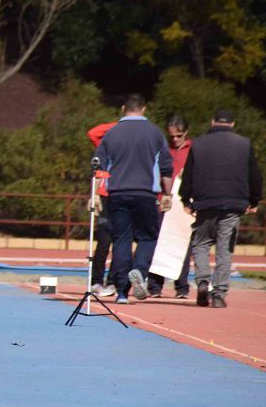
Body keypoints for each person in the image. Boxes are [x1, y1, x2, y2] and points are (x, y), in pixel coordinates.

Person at [94, 94, 173, 304]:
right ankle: (139, 269)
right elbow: (166, 168)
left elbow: (99, 168)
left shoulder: (111, 134)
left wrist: (94, 195)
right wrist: (167, 194)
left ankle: (121, 292)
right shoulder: (155, 133)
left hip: (117, 193)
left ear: (123, 108)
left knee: (121, 240)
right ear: (144, 109)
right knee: (148, 237)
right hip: (145, 193)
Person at [179, 109, 263, 308]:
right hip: (233, 204)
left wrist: (185, 200)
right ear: (233, 124)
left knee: (201, 244)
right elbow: (254, 176)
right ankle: (219, 294)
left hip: (205, 202)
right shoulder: (244, 144)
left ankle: (202, 283)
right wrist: (254, 201)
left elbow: (188, 174)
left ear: (212, 122)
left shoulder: (198, 143)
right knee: (225, 249)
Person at [147, 115, 192, 298]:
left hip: (183, 204)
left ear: (186, 133)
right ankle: (155, 286)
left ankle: (181, 288)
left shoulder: (194, 149)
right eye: (172, 136)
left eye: (178, 136)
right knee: (158, 243)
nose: (175, 139)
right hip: (163, 201)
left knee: (183, 244)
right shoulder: (162, 148)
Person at [86, 121, 116, 297]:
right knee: (104, 241)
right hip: (105, 196)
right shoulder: (106, 145)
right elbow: (93, 133)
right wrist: (118, 125)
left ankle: (114, 281)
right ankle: (96, 281)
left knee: (121, 242)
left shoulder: (132, 145)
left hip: (124, 194)